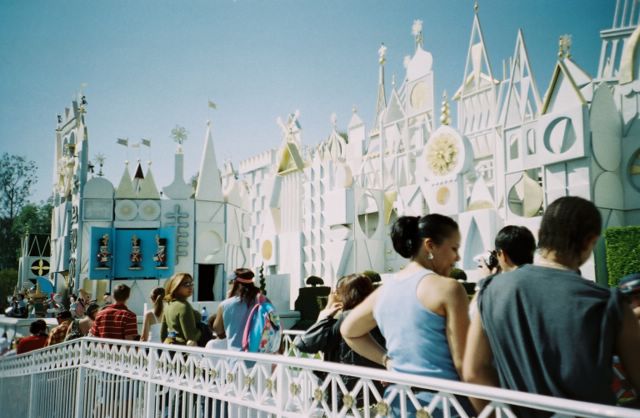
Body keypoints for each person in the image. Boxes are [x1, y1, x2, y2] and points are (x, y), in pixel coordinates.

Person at [463, 196, 640, 417]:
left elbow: (473, 373)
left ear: (540, 236)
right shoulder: (608, 303)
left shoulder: (490, 290)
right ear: (589, 242)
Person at [341, 214, 472, 416]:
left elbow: (349, 330)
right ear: (430, 245)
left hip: (397, 403)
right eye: (454, 248)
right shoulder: (448, 289)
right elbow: (464, 363)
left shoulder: (385, 290)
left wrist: (386, 360)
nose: (457, 257)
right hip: (444, 404)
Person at [296, 273, 385, 408]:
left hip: (348, 391)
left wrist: (324, 314)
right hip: (377, 388)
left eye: (336, 292)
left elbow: (303, 344)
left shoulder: (345, 318)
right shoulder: (377, 314)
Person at [469, 225, 536, 318]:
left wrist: (484, 283)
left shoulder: (498, 288)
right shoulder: (542, 281)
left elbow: (472, 315)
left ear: (502, 254)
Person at [212, 268, 261, 351]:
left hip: (237, 356)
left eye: (230, 282)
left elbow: (218, 329)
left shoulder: (225, 305)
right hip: (262, 357)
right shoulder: (262, 301)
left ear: (236, 284)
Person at [160, 273, 202, 346]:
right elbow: (191, 336)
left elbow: (163, 334)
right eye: (186, 284)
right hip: (183, 351)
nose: (190, 287)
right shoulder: (183, 306)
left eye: (191, 284)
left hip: (171, 349)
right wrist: (202, 330)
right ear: (175, 286)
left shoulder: (168, 305)